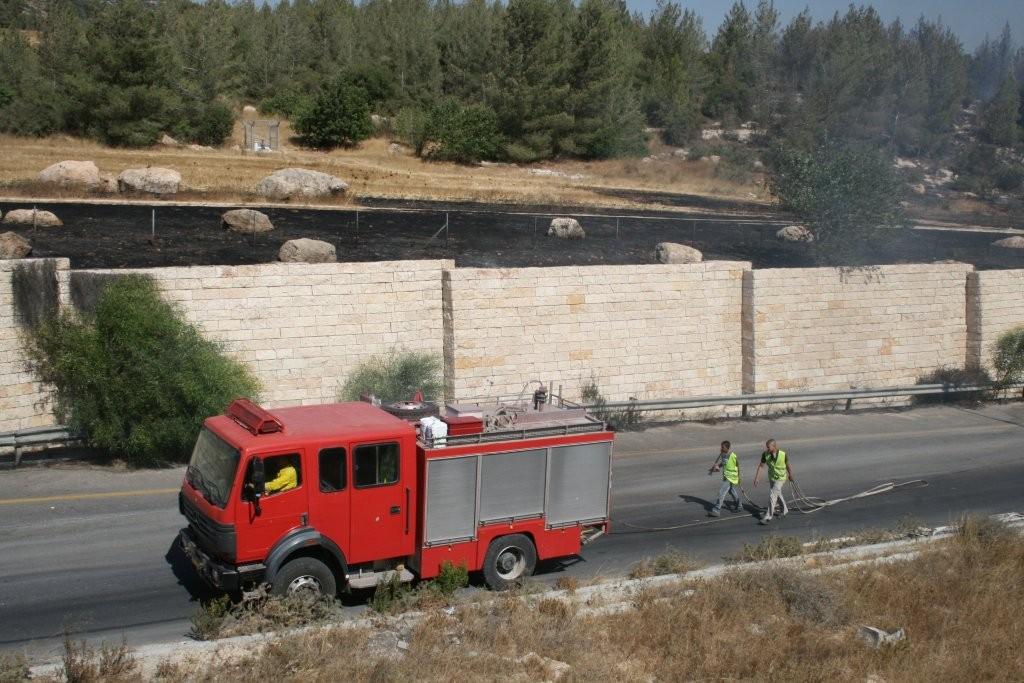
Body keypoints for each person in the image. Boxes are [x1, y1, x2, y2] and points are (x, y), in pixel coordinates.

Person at [753, 439, 792, 525]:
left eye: (769, 447)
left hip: (781, 478)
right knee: (777, 494)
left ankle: (768, 517)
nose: (767, 449)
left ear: (774, 446)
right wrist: (757, 478)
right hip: (772, 478)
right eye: (767, 447)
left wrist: (790, 475)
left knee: (772, 495)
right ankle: (784, 510)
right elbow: (761, 467)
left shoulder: (783, 454)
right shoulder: (765, 454)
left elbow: (788, 465)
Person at [708, 440, 742, 517]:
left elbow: (737, 466)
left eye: (723, 447)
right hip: (726, 476)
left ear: (728, 448)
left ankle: (716, 510)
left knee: (721, 493)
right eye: (721, 447)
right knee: (731, 491)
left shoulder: (732, 455)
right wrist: (715, 468)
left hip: (731, 477)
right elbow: (723, 463)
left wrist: (738, 477)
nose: (721, 449)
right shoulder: (723, 454)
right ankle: (739, 504)